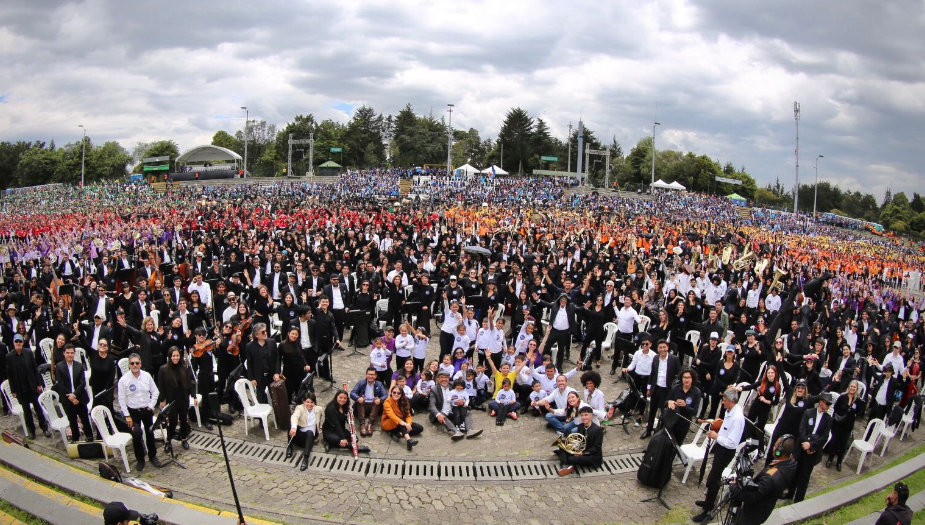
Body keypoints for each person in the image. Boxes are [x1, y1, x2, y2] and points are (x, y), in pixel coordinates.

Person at [692, 388, 746, 523]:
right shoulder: (729, 411)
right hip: (721, 448)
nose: (723, 403)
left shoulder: (737, 418)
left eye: (725, 401)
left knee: (713, 480)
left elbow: (732, 442)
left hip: (726, 451)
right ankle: (707, 502)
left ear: (733, 402)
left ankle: (708, 510)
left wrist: (717, 437)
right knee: (712, 478)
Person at [735, 435, 798, 525]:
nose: (773, 447)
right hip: (764, 509)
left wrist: (734, 487)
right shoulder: (790, 464)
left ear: (779, 452)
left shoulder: (771, 477)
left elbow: (751, 497)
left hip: (753, 514)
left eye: (775, 446)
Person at [117, 353, 162, 471]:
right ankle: (140, 460)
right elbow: (121, 400)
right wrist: (127, 415)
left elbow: (155, 392)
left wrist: (151, 406)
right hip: (133, 412)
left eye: (137, 363)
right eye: (132, 363)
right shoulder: (123, 380)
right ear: (129, 365)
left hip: (146, 410)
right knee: (136, 435)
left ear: (140, 364)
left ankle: (153, 456)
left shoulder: (147, 376)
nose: (135, 365)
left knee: (150, 433)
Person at [784, 393, 832, 502]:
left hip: (812, 451)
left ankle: (798, 500)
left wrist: (811, 445)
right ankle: (790, 493)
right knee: (795, 472)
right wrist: (805, 443)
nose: (828, 406)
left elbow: (824, 437)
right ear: (821, 402)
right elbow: (802, 429)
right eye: (827, 403)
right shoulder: (809, 412)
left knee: (804, 477)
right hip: (801, 447)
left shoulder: (828, 419)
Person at [5, 334, 50, 439]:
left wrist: (39, 384)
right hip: (21, 388)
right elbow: (10, 375)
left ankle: (44, 428)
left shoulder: (28, 353)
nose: (18, 343)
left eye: (20, 342)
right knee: (26, 411)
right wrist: (13, 390)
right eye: (16, 342)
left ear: (23, 343)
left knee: (38, 408)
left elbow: (35, 369)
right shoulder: (9, 357)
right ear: (13, 343)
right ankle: (31, 431)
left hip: (32, 386)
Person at [52, 344, 94, 443]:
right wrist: (70, 396)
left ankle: (89, 436)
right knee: (72, 420)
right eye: (68, 353)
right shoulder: (59, 366)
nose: (70, 355)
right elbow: (60, 384)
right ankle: (75, 438)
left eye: (72, 353)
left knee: (84, 418)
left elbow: (82, 383)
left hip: (79, 397)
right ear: (64, 353)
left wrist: (75, 395)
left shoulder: (79, 366)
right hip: (67, 398)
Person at [156, 347, 196, 450]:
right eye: (173, 356)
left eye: (177, 356)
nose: (175, 358)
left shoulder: (183, 367)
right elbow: (161, 387)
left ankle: (184, 439)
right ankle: (168, 441)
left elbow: (189, 383)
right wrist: (161, 400)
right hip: (171, 400)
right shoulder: (163, 369)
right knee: (172, 421)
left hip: (183, 398)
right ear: (169, 357)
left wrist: (194, 396)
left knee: (183, 420)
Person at [427, 369, 483, 441]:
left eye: (446, 377)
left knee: (468, 413)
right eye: (441, 377)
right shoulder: (434, 390)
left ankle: (469, 430)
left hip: (454, 409)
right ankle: (456, 432)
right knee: (442, 416)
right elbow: (432, 405)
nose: (444, 379)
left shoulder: (453, 385)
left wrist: (462, 401)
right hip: (442, 411)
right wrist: (438, 414)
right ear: (437, 379)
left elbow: (462, 393)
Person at [642, 339, 680, 439]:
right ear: (657, 349)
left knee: (664, 412)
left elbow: (679, 374)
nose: (662, 349)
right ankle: (648, 430)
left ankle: (660, 433)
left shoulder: (674, 359)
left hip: (666, 390)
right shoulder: (655, 358)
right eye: (660, 347)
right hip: (656, 388)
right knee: (652, 410)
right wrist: (649, 388)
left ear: (667, 348)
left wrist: (674, 387)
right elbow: (652, 374)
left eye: (664, 347)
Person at [554, 406, 604, 477]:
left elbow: (597, 448)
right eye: (582, 415)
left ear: (591, 415)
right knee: (561, 442)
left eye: (586, 415)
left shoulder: (597, 429)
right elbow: (578, 441)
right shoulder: (580, 426)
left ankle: (563, 457)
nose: (584, 417)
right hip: (580, 449)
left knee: (572, 458)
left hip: (591, 456)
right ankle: (565, 464)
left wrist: (583, 453)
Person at [321, 389, 370, 454]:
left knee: (355, 438)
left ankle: (331, 444)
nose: (342, 400)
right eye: (340, 397)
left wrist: (350, 416)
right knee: (339, 440)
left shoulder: (345, 407)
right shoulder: (330, 409)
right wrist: (342, 438)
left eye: (344, 398)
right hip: (329, 431)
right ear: (336, 397)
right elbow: (336, 424)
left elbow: (345, 418)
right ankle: (356, 448)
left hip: (341, 429)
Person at [661, 368, 702, 445]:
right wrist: (670, 402)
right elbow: (666, 402)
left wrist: (685, 406)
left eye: (689, 378)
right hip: (672, 419)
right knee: (666, 442)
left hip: (684, 422)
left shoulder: (696, 392)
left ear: (692, 379)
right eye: (684, 377)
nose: (686, 380)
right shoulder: (675, 388)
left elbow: (694, 412)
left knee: (678, 444)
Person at [243, 323, 279, 404]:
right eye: (263, 332)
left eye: (265, 331)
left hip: (271, 374)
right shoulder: (249, 346)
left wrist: (277, 373)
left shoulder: (272, 342)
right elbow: (249, 363)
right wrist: (251, 378)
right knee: (261, 398)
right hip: (259, 376)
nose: (265, 333)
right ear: (256, 335)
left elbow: (277, 358)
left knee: (276, 397)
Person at [288, 392, 323, 471]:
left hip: (310, 436)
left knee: (310, 432)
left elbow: (319, 420)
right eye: (307, 402)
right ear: (304, 401)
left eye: (312, 402)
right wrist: (294, 428)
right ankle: (289, 447)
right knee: (290, 425)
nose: (309, 404)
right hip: (300, 435)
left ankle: (306, 458)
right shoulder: (300, 408)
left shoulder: (319, 409)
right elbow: (295, 416)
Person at [382, 385, 422, 450]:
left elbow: (408, 415)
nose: (396, 394)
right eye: (394, 392)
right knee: (400, 418)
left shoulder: (404, 400)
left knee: (419, 428)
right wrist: (405, 424)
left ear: (401, 394)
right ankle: (408, 439)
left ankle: (399, 433)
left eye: (398, 393)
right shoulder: (387, 402)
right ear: (391, 393)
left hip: (402, 423)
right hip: (389, 422)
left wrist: (408, 423)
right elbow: (391, 415)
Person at [350, 367, 387, 436]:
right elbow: (352, 393)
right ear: (366, 375)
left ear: (376, 376)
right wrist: (358, 398)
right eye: (369, 374)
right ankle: (362, 425)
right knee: (360, 402)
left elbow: (385, 395)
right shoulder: (360, 383)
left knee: (377, 402)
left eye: (372, 375)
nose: (370, 376)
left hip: (373, 406)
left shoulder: (379, 384)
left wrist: (380, 400)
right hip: (363, 405)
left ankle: (370, 424)